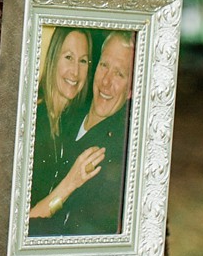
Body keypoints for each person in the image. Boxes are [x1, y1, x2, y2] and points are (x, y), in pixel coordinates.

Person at [29, 32, 135, 237]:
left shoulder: (116, 153)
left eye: (120, 74)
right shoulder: (63, 116)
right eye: (104, 65)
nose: (106, 82)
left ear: (131, 89)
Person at [28, 27, 92, 212]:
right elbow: (28, 218)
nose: (75, 72)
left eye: (83, 61)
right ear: (53, 59)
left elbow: (51, 205)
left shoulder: (68, 121)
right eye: (69, 58)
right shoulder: (34, 121)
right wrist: (71, 182)